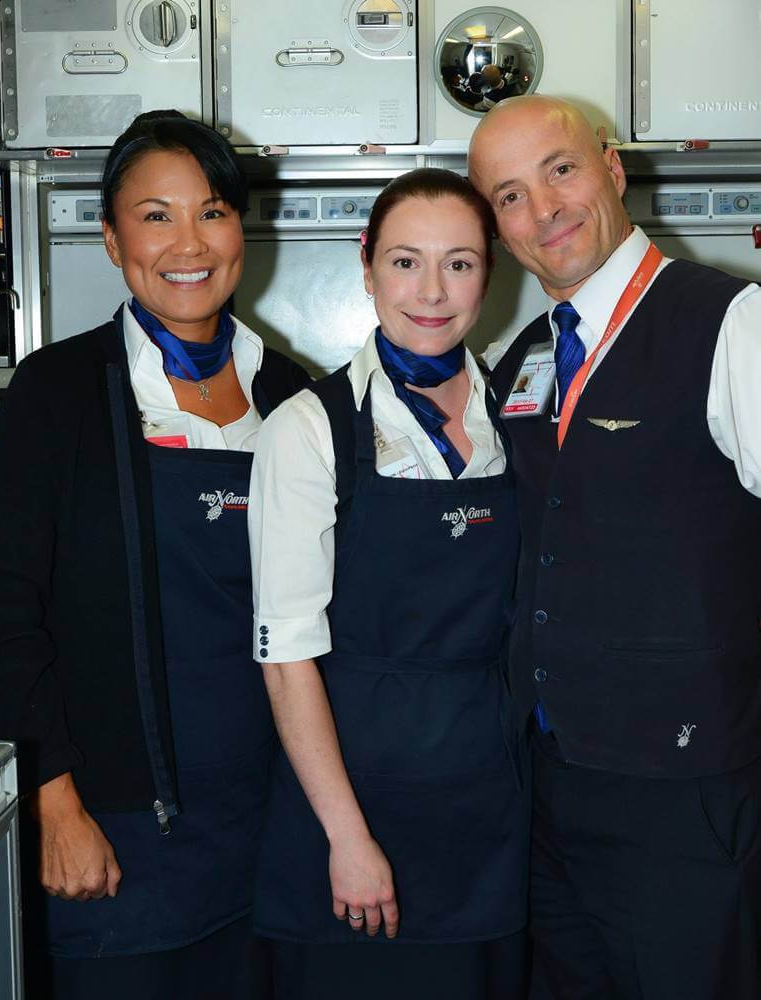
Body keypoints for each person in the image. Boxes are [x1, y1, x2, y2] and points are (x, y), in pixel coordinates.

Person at [0, 110, 309, 999]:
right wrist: (50, 797)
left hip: (271, 823)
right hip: (115, 827)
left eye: (210, 212)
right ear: (111, 237)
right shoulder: (56, 392)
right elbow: (4, 606)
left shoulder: (294, 397)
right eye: (154, 215)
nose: (187, 242)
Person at [468, 94, 761, 1000]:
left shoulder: (732, 322)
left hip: (687, 788)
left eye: (560, 170)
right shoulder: (519, 360)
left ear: (612, 168)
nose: (544, 209)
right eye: (509, 196)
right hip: (549, 789)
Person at [248, 168, 530, 999]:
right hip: (354, 803)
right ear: (365, 265)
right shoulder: (310, 428)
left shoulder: (517, 414)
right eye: (406, 262)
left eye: (461, 263)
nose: (433, 293)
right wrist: (347, 837)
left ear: (490, 272)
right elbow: (286, 653)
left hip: (489, 810)